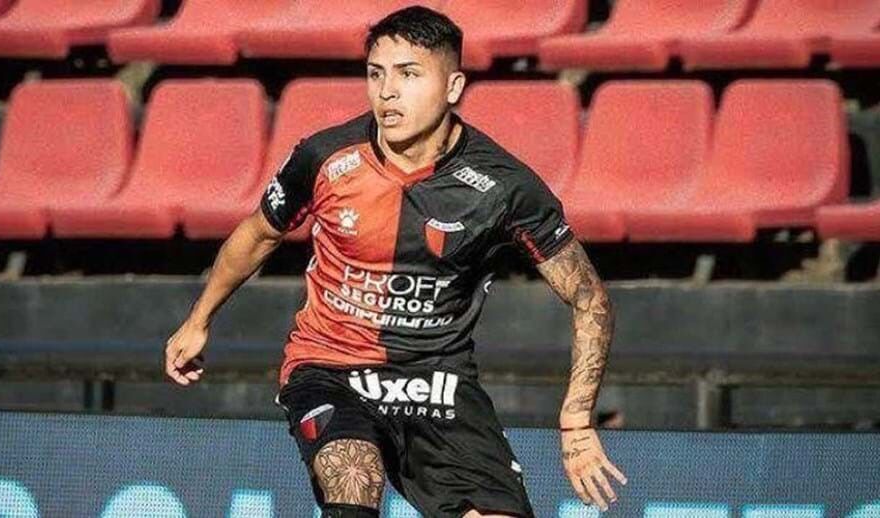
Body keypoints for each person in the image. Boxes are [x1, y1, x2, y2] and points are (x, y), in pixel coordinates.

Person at [164, 6, 626, 517]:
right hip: (331, 365)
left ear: (452, 87)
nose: (387, 92)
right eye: (376, 74)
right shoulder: (325, 158)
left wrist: (577, 422)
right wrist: (198, 320)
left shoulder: (504, 188)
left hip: (438, 378)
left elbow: (589, 298)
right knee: (353, 473)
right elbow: (258, 235)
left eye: (408, 74)